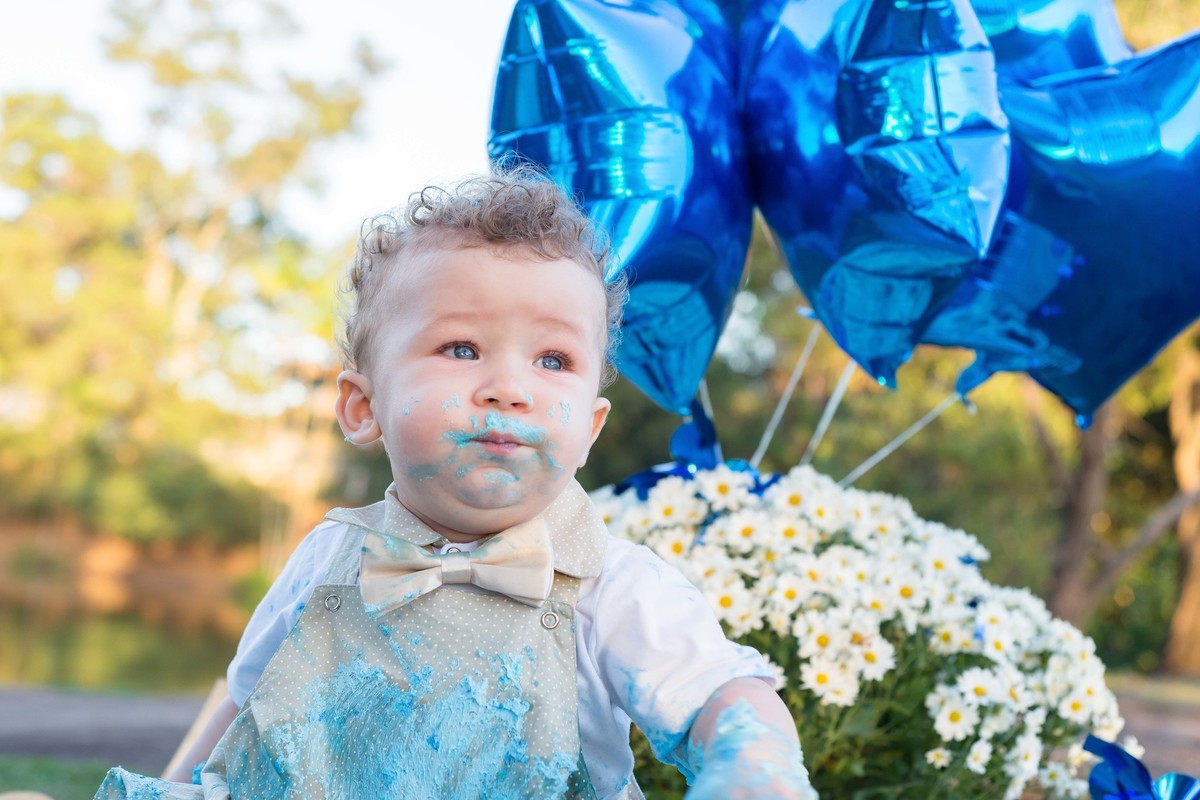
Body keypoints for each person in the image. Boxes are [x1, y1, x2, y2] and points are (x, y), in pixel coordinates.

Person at [95, 168, 815, 799]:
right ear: (363, 406)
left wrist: (756, 757)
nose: (508, 388)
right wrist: (178, 783)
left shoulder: (613, 586)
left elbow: (718, 690)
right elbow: (243, 707)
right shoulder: (328, 556)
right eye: (462, 348)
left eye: (554, 360)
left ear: (590, 429)